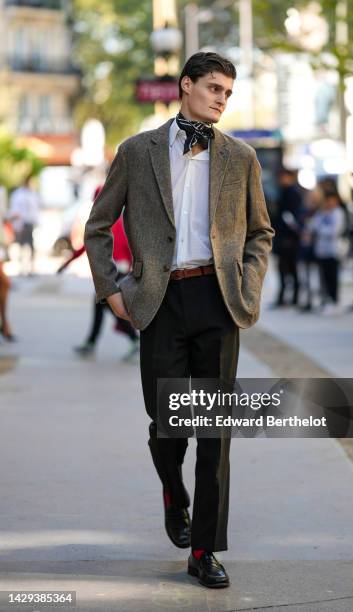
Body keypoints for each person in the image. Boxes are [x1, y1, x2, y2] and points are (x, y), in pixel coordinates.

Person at [84, 52, 274, 588]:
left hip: (218, 302)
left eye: (228, 93)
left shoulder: (241, 157)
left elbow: (261, 233)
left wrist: (248, 286)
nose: (221, 98)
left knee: (214, 433)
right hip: (160, 302)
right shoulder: (137, 150)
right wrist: (111, 292)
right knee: (169, 425)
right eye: (213, 87)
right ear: (185, 85)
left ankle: (204, 550)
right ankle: (174, 491)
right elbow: (98, 226)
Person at [58, 184, 139, 362]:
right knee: (103, 305)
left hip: (115, 273)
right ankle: (93, 342)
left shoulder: (106, 220)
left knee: (111, 306)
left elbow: (90, 244)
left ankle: (132, 339)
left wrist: (66, 263)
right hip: (121, 271)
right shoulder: (121, 218)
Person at [271, 168, 303, 307]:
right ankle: (283, 297)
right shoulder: (283, 192)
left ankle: (294, 297)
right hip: (282, 237)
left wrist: (291, 236)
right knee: (283, 269)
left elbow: (292, 218)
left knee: (291, 268)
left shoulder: (293, 193)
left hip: (290, 238)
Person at [312, 189, 346, 314]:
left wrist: (321, 230)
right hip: (322, 250)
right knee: (324, 277)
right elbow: (314, 226)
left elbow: (334, 231)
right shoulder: (322, 213)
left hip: (333, 250)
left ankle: (335, 300)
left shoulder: (338, 213)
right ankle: (326, 300)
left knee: (333, 277)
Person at [8, 176, 40, 276]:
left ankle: (30, 268)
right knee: (22, 246)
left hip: (29, 223)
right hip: (22, 223)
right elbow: (16, 210)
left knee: (30, 246)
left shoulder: (31, 194)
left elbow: (35, 209)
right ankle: (23, 268)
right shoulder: (19, 194)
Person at [0, 185, 15, 341]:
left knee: (4, 284)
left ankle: (4, 323)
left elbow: (3, 217)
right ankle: (5, 324)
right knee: (4, 282)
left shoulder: (2, 191)